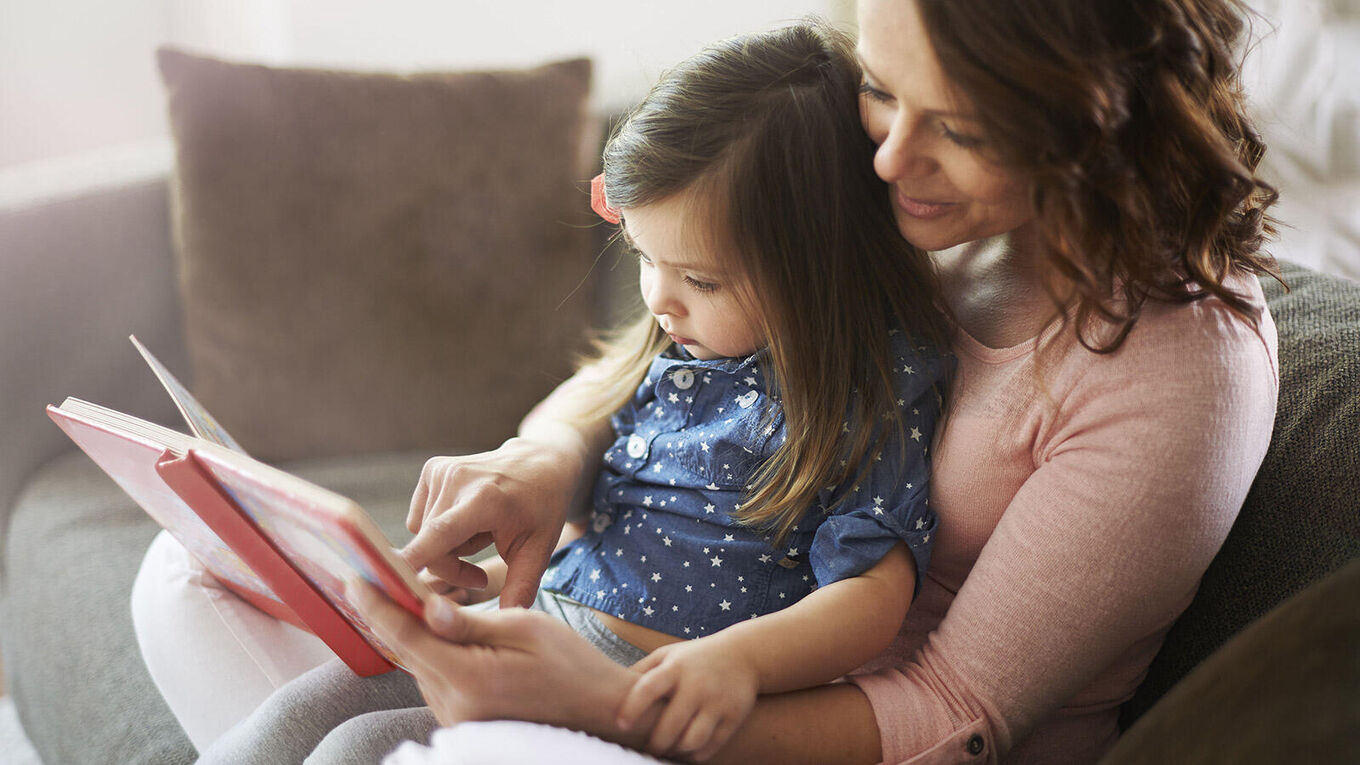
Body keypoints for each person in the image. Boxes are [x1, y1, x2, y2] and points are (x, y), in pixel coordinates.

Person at [135, 0, 1281, 762]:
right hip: (622, 641)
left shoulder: (1176, 368)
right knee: (192, 572)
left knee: (432, 743)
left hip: (786, 727)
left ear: (1101, 122)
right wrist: (544, 463)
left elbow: (953, 714)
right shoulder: (884, 213)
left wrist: (605, 702)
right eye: (882, 91)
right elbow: (653, 366)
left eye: (963, 130)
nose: (887, 159)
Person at [147, 20, 954, 765]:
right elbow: (598, 533)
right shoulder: (677, 350)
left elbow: (870, 599)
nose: (660, 300)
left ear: (822, 267)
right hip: (545, 625)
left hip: (643, 681)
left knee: (360, 748)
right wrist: (472, 588)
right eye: (644, 257)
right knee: (305, 711)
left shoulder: (872, 390)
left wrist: (733, 663)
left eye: (700, 278)